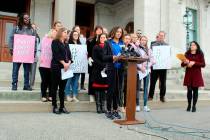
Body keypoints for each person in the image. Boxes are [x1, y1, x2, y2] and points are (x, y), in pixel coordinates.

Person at [8, 13, 37, 91]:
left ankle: (26, 85)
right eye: (25, 18)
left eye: (28, 18)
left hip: (27, 54)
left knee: (27, 70)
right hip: (18, 53)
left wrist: (34, 52)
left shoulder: (32, 30)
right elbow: (11, 38)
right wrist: (11, 49)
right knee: (15, 69)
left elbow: (34, 42)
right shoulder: (16, 28)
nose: (27, 20)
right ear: (21, 19)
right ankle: (14, 84)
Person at [103, 26, 124, 120]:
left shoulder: (122, 43)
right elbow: (104, 57)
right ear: (114, 32)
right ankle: (108, 110)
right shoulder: (108, 42)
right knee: (111, 90)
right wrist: (113, 57)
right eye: (117, 32)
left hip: (120, 69)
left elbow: (125, 54)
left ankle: (115, 110)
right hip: (112, 69)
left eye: (120, 32)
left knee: (117, 90)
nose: (119, 33)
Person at [51, 27, 72, 114]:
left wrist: (69, 63)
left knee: (62, 88)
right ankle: (55, 106)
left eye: (67, 32)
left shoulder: (66, 44)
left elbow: (70, 55)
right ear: (60, 33)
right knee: (55, 87)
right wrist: (64, 63)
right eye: (65, 32)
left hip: (65, 68)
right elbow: (56, 54)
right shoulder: (55, 42)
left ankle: (62, 107)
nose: (66, 34)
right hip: (57, 67)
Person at [181, 41, 205, 112]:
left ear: (196, 46)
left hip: (197, 75)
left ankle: (194, 106)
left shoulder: (200, 54)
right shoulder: (187, 54)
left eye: (193, 45)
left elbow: (203, 64)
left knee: (195, 91)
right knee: (189, 90)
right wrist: (185, 63)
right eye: (191, 45)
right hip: (189, 74)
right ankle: (189, 105)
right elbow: (182, 65)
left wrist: (194, 63)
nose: (192, 46)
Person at [135, 36, 155, 112]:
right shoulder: (137, 49)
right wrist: (140, 67)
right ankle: (137, 105)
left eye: (145, 40)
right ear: (139, 40)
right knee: (138, 88)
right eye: (142, 40)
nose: (143, 41)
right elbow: (135, 60)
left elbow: (152, 59)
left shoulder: (149, 49)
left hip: (146, 71)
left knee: (146, 88)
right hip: (139, 71)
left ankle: (145, 105)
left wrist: (147, 66)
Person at [148, 31, 168, 102]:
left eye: (162, 36)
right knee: (152, 82)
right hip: (155, 66)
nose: (161, 37)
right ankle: (150, 96)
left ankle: (162, 96)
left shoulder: (167, 45)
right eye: (160, 35)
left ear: (164, 37)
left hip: (163, 67)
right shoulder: (153, 44)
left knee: (163, 82)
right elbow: (150, 54)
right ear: (158, 36)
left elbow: (168, 56)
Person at [91, 33, 108, 113]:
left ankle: (103, 106)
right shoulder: (96, 47)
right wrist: (102, 66)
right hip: (98, 69)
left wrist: (106, 66)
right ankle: (98, 106)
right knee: (98, 87)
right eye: (101, 37)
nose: (103, 38)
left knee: (104, 88)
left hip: (106, 70)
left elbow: (110, 56)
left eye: (104, 37)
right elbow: (94, 58)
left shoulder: (108, 47)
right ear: (99, 38)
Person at [87, 26, 103, 102]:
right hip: (92, 62)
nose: (99, 31)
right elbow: (88, 51)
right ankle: (91, 94)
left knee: (99, 79)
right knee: (91, 79)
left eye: (100, 30)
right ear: (95, 31)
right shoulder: (90, 40)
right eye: (98, 30)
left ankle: (98, 95)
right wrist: (89, 58)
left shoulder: (103, 40)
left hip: (100, 63)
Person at [65, 30, 81, 102]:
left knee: (76, 81)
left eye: (77, 34)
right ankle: (67, 95)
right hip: (70, 65)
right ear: (71, 35)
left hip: (78, 66)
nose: (76, 36)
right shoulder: (68, 44)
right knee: (68, 80)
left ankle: (74, 96)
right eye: (74, 34)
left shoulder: (80, 44)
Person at [72, 25, 86, 90]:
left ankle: (82, 85)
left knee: (82, 72)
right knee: (74, 74)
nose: (78, 31)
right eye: (76, 29)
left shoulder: (82, 39)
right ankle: (74, 85)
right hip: (74, 58)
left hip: (81, 58)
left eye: (79, 30)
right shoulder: (71, 38)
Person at [29, 23, 40, 89]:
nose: (33, 28)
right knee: (28, 70)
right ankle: (27, 84)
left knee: (33, 71)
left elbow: (39, 46)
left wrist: (38, 55)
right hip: (28, 54)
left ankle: (31, 85)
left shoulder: (38, 36)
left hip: (35, 55)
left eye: (34, 27)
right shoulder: (28, 34)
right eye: (32, 27)